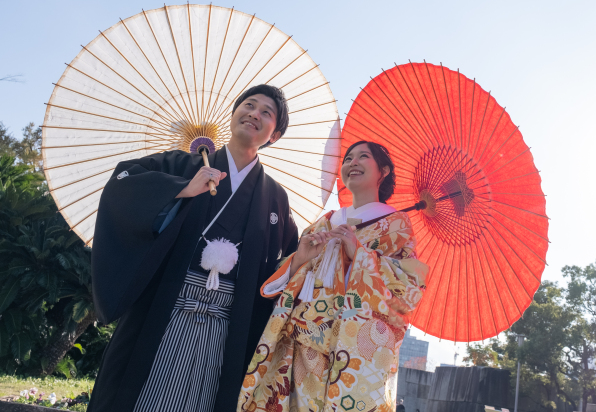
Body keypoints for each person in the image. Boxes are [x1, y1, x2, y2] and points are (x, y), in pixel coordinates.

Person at [88, 84, 299, 412]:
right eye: (249, 105)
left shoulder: (275, 197)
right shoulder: (181, 166)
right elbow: (122, 186)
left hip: (227, 325)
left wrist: (303, 259)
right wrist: (182, 189)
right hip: (164, 309)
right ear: (233, 114)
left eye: (266, 113)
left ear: (275, 134)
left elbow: (281, 265)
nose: (254, 113)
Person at [239, 141, 429, 412]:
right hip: (301, 339)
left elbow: (406, 291)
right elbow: (291, 276)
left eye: (363, 157)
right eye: (348, 158)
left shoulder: (396, 226)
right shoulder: (324, 222)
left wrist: (360, 254)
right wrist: (300, 259)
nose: (353, 162)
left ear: (383, 171)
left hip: (352, 348)